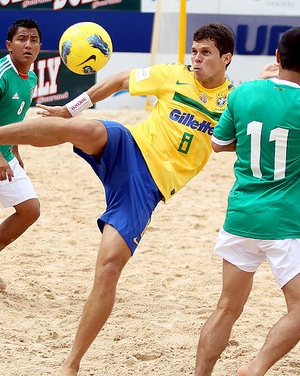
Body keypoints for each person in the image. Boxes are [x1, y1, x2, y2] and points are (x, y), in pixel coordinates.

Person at [0, 23, 234, 375]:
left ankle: (71, 364)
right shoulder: (174, 74)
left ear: (226, 59)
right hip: (129, 146)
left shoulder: (235, 100)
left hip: (147, 188)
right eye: (194, 51)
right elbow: (120, 80)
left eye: (205, 53)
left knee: (109, 269)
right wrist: (72, 108)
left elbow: (231, 143)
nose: (196, 59)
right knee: (80, 129)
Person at [195, 27, 300, 376]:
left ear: (277, 57)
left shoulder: (242, 93)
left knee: (226, 307)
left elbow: (218, 143)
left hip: (241, 216)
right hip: (286, 223)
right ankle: (254, 369)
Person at [0, 19, 42, 291]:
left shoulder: (32, 77)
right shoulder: (2, 74)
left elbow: (15, 119)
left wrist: (14, 149)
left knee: (29, 210)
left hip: (6, 152)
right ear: (9, 45)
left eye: (34, 39)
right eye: (22, 39)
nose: (28, 44)